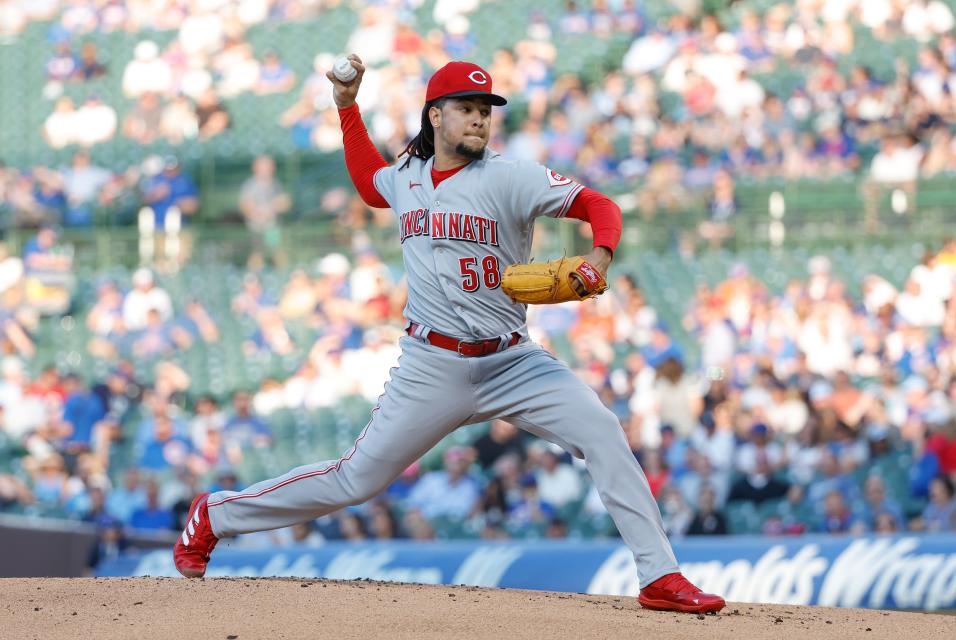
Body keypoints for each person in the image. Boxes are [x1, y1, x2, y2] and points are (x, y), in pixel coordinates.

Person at [173, 56, 724, 614]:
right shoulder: (408, 178)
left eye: (485, 110)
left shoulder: (512, 177)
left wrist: (600, 257)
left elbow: (598, 205)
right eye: (466, 108)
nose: (480, 119)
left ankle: (660, 577)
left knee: (603, 431)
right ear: (435, 116)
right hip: (431, 365)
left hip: (513, 362)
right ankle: (216, 515)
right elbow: (369, 183)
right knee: (355, 480)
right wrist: (346, 108)